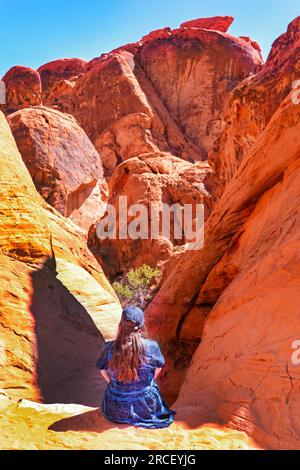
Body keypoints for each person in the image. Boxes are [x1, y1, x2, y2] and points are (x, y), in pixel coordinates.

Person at [96, 305, 175, 428]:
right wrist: (146, 383)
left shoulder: (108, 348)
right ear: (141, 325)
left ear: (121, 324)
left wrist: (113, 382)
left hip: (115, 409)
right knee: (151, 384)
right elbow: (158, 368)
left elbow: (102, 369)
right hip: (146, 409)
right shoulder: (152, 347)